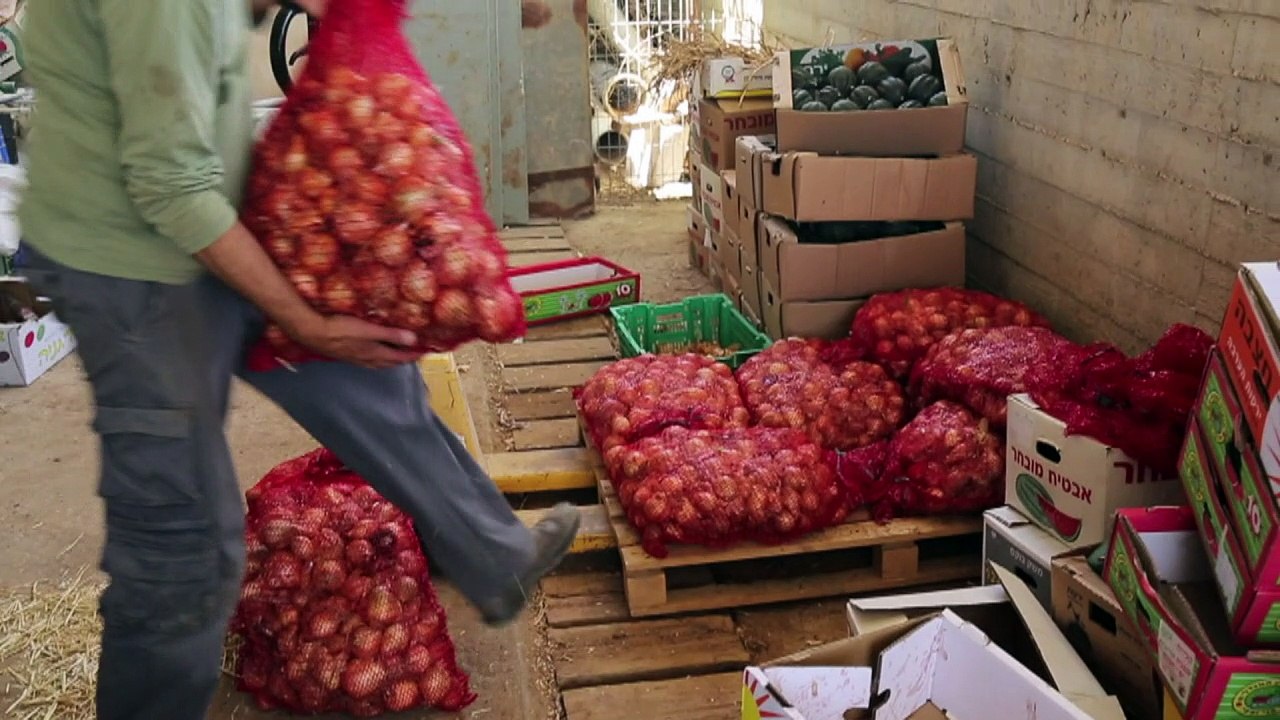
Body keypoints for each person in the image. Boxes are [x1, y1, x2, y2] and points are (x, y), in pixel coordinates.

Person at [17, 1, 581, 718]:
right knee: (185, 545)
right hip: (131, 267)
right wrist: (300, 318)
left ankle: (493, 554)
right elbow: (171, 187)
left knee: (361, 363)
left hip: (210, 218)